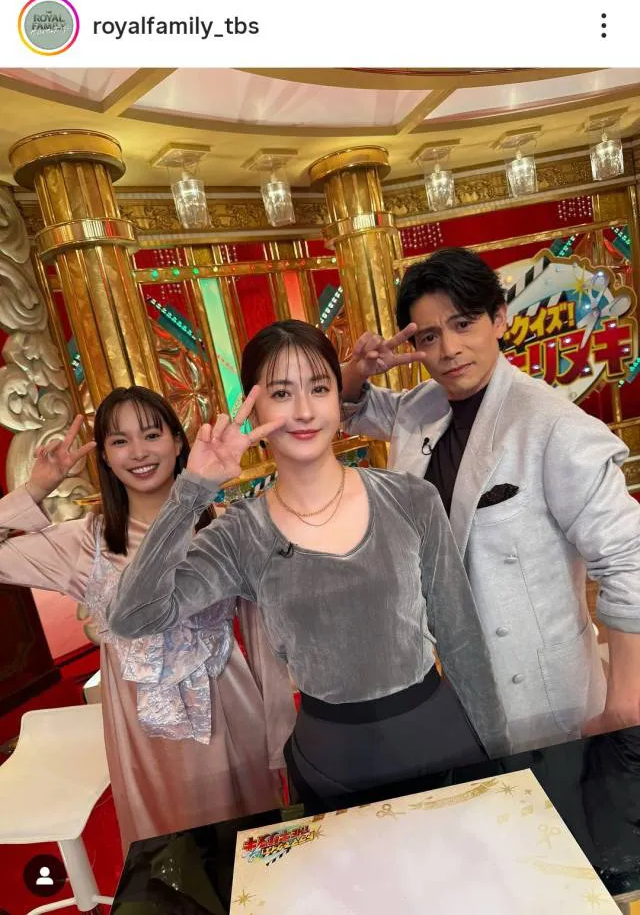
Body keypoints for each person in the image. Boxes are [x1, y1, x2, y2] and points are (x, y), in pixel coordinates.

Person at [109, 321, 510, 807]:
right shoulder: (242, 533)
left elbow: (461, 637)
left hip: (439, 739)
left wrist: (501, 759)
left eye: (319, 388)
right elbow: (133, 617)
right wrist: (192, 491)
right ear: (254, 408)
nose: (303, 410)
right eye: (281, 393)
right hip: (332, 761)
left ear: (337, 399)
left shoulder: (409, 498)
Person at [339, 245, 640, 752]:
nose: (449, 349)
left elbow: (628, 559)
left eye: (463, 324)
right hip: (447, 678)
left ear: (499, 318)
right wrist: (357, 369)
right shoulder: (420, 408)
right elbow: (349, 409)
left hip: (541, 687)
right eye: (429, 336)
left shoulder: (551, 423)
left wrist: (626, 705)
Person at [0, 388, 296, 849]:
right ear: (105, 458)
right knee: (169, 862)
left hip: (230, 715)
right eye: (119, 441)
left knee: (250, 852)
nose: (138, 452)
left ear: (178, 443)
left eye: (152, 435)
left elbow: (264, 639)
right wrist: (36, 489)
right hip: (142, 738)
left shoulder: (225, 526)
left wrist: (281, 742)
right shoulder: (86, 543)